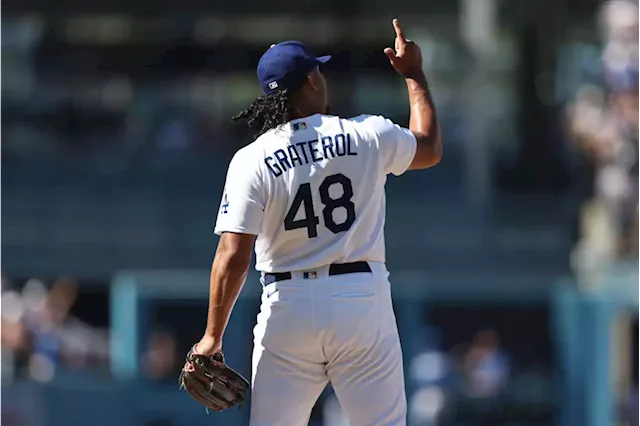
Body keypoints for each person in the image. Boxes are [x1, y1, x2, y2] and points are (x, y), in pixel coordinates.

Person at [188, 19, 441, 425]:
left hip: (287, 305)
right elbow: (428, 147)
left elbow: (232, 255)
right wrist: (413, 75)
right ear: (310, 81)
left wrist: (212, 336)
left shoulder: (251, 160)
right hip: (360, 297)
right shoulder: (364, 134)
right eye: (318, 71)